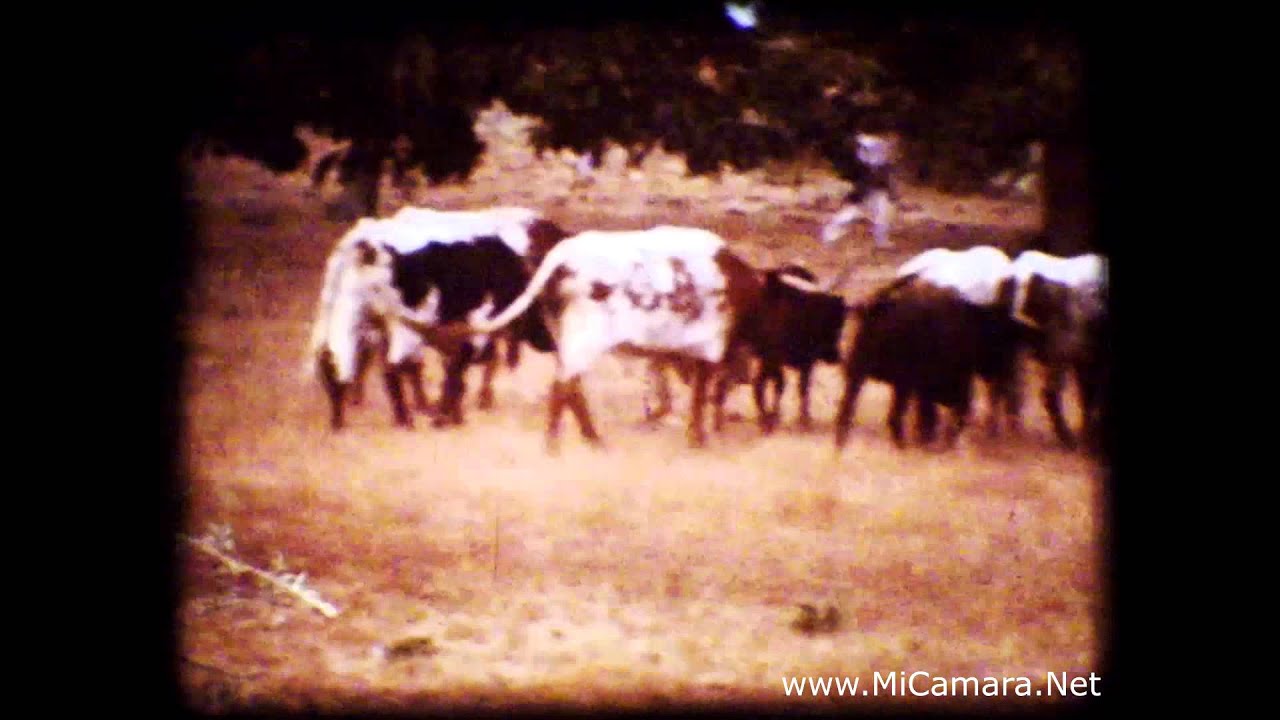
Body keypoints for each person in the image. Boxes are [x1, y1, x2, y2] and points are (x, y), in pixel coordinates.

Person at [819, 132, 901, 289]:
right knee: (853, 215)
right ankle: (830, 236)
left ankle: (881, 241)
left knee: (882, 215)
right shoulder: (870, 152)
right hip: (868, 193)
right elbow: (873, 175)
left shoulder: (877, 156)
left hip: (876, 192)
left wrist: (890, 190)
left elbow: (883, 175)